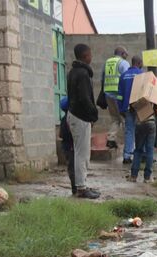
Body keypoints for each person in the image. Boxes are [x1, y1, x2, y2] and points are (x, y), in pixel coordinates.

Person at [67, 43, 100, 199]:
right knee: (82, 154)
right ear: (85, 55)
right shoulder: (82, 74)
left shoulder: (73, 72)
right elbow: (85, 98)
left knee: (79, 153)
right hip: (80, 117)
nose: (91, 57)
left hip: (74, 115)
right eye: (90, 54)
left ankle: (81, 184)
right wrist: (93, 114)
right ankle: (81, 188)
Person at [116, 56, 153, 182]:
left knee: (129, 131)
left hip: (126, 107)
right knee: (142, 133)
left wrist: (121, 109)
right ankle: (142, 155)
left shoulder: (123, 76)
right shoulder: (142, 75)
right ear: (139, 63)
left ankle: (127, 156)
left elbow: (119, 95)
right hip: (140, 108)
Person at [102, 46, 130, 156]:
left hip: (108, 94)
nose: (127, 56)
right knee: (124, 120)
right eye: (126, 54)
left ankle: (111, 139)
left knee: (115, 119)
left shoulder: (107, 62)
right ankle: (128, 149)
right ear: (122, 53)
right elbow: (126, 78)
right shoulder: (123, 63)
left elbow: (102, 78)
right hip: (119, 95)